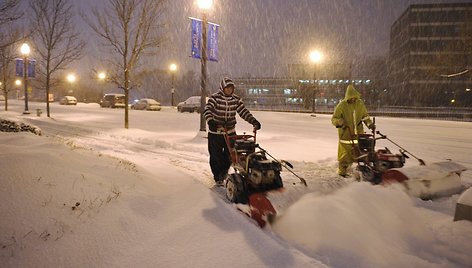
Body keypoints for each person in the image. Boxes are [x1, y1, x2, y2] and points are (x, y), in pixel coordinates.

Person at [204, 77, 261, 185]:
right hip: (216, 132)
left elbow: (243, 112)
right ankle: (218, 177)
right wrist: (211, 121)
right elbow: (207, 110)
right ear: (222, 88)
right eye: (227, 88)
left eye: (231, 88)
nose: (229, 90)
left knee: (230, 155)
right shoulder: (214, 98)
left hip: (230, 132)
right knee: (216, 156)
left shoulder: (235, 99)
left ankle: (224, 174)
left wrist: (253, 121)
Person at [331, 84, 375, 177]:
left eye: (354, 98)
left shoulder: (360, 104)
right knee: (345, 155)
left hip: (359, 135)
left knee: (360, 153)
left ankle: (362, 171)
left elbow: (365, 116)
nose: (353, 99)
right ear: (348, 97)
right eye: (351, 98)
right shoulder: (342, 105)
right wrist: (340, 122)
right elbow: (334, 119)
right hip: (346, 135)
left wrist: (370, 124)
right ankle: (342, 172)